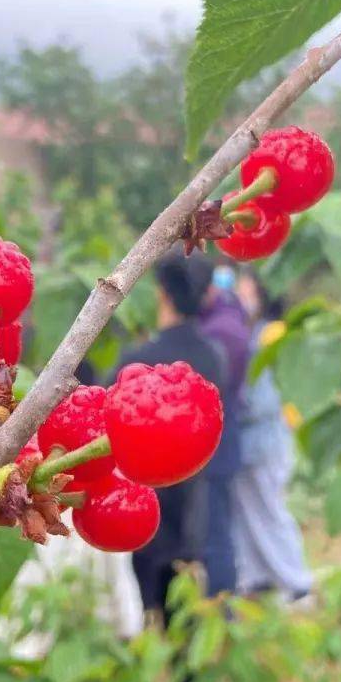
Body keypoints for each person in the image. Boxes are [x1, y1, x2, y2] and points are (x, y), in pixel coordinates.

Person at [111, 246, 227, 619]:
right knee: (186, 602)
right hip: (195, 504)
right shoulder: (214, 356)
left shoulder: (136, 362)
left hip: (142, 507)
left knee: (147, 606)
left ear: (161, 292)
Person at [230, 269, 313, 599]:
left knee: (270, 509)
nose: (241, 293)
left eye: (246, 287)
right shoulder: (253, 332)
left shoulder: (271, 335)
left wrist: (233, 406)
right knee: (249, 510)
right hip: (254, 443)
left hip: (266, 440)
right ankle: (257, 576)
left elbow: (263, 399)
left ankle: (298, 582)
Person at [195, 265, 250, 597]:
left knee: (215, 533)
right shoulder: (227, 323)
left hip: (216, 448)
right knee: (217, 529)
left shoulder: (221, 333)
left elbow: (212, 391)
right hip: (221, 444)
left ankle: (221, 603)